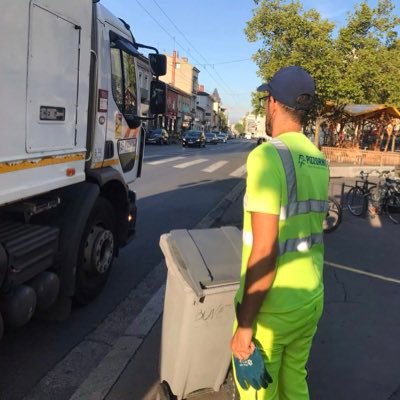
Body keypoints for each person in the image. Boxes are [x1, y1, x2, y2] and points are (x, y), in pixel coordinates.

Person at [231, 66, 329, 399]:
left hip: (272, 311)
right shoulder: (318, 159)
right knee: (295, 384)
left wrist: (245, 326)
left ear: (272, 103)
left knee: (259, 391)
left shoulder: (266, 157)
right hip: (310, 298)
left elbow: (265, 250)